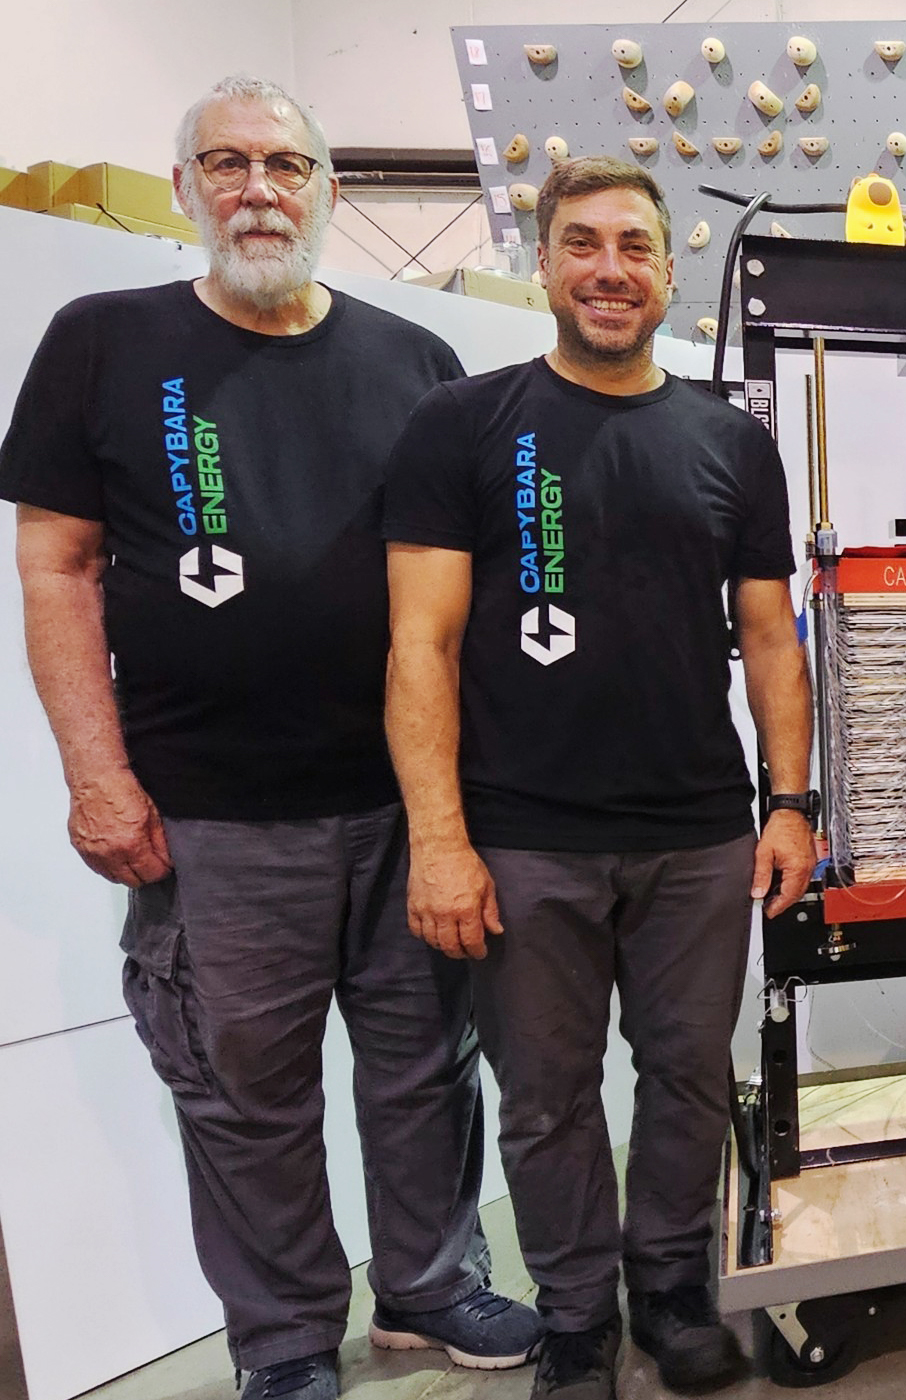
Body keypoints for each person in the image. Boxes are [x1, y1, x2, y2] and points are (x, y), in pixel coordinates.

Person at [0, 75, 539, 1400]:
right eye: (227, 164)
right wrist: (95, 776)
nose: (259, 189)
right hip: (212, 820)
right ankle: (289, 1337)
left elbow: (456, 596)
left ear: (328, 192)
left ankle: (426, 1289)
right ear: (185, 187)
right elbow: (56, 566)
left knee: (423, 1069)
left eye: (286, 166)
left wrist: (468, 807)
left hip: (402, 804)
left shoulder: (413, 363)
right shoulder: (102, 343)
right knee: (246, 1097)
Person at [380, 156, 814, 1400]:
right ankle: (576, 1315)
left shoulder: (730, 442)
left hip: (694, 829)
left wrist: (789, 804)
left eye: (633, 245)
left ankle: (669, 1287)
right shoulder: (463, 425)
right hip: (524, 836)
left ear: (669, 268)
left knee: (685, 1070)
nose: (609, 270)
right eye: (582, 244)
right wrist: (440, 839)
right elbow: (422, 642)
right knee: (547, 1093)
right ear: (545, 263)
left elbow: (773, 638)